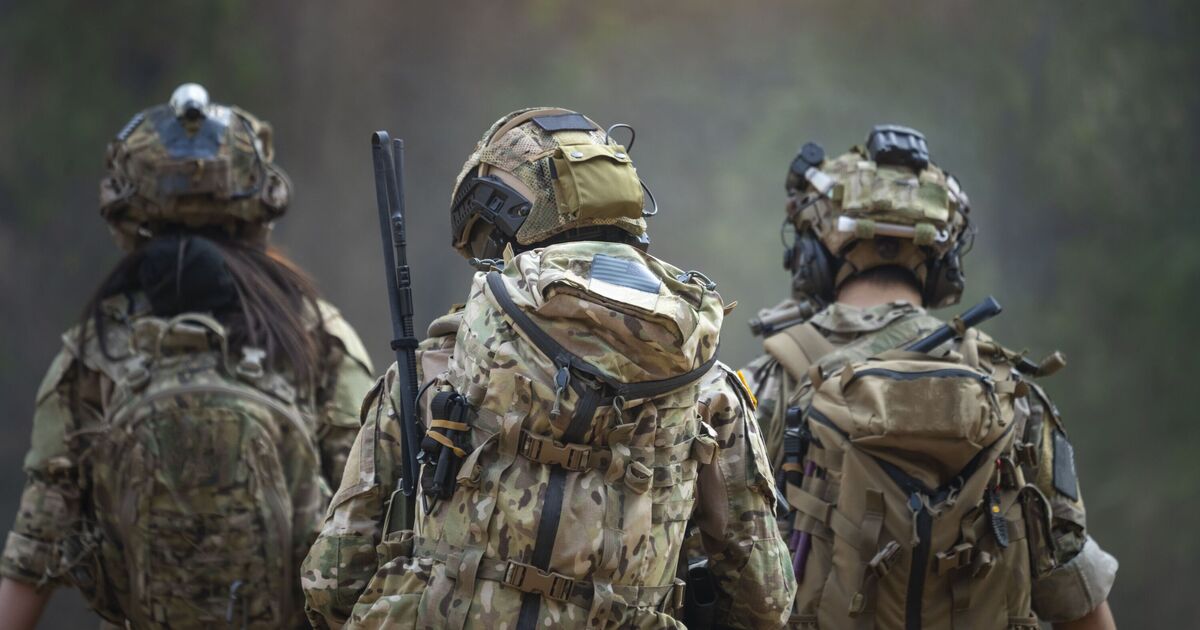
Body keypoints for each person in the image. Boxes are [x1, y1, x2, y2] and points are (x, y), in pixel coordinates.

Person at [303, 107, 795, 629]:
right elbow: (764, 601)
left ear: (505, 227)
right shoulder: (705, 385)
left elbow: (331, 584)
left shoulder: (434, 369)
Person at [0, 84, 374, 629]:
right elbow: (367, 511)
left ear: (127, 211)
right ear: (259, 207)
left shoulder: (95, 347)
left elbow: (35, 546)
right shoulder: (316, 333)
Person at [740, 126, 1117, 629]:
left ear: (815, 253)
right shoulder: (1012, 393)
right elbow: (1076, 595)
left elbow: (713, 572)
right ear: (945, 261)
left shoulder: (764, 388)